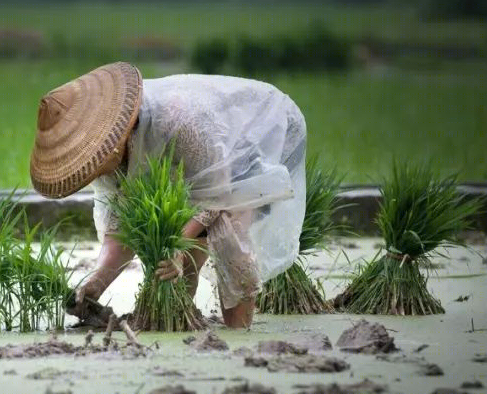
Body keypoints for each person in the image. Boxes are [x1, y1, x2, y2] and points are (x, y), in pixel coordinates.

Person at [29, 62, 307, 329]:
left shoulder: (182, 123)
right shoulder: (100, 160)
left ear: (115, 143)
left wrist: (178, 243)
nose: (97, 173)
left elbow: (217, 196)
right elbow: (120, 229)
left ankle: (238, 336)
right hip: (191, 180)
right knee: (176, 263)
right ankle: (183, 323)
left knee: (231, 245)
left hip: (242, 157)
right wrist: (95, 283)